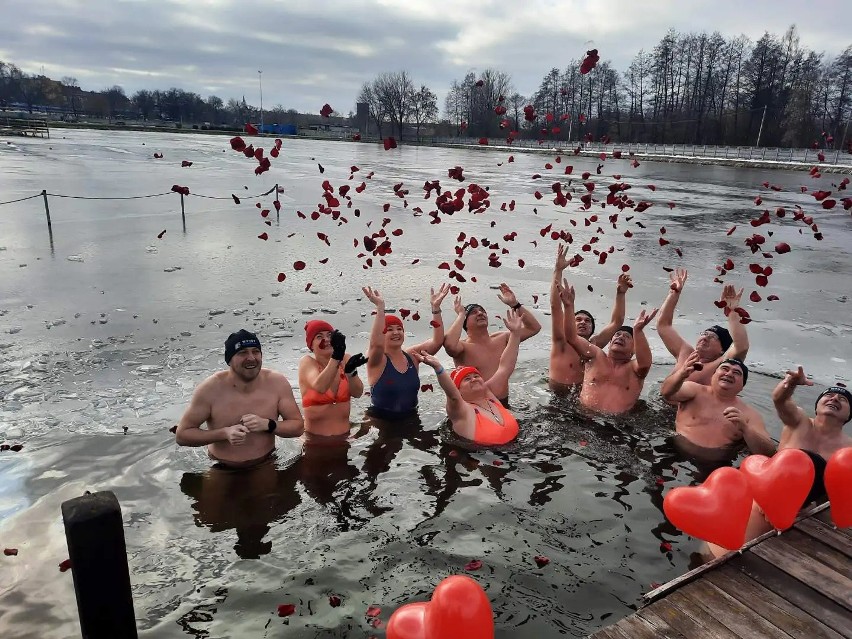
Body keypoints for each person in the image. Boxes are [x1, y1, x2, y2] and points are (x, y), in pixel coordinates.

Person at [706, 368, 851, 558]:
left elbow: (836, 497)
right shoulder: (799, 422)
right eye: (829, 396)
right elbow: (780, 400)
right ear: (816, 407)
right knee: (715, 553)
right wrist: (789, 384)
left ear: (849, 415)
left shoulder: (847, 451)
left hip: (800, 513)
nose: (834, 399)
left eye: (842, 399)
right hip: (764, 497)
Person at [175, 329, 304, 468]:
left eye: (255, 351)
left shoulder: (276, 383)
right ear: (229, 360)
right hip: (220, 464)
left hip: (265, 462)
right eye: (242, 353)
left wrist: (269, 424)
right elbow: (182, 435)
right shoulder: (210, 389)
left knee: (268, 489)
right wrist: (224, 433)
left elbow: (297, 427)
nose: (251, 358)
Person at [415, 309, 524, 446]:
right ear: (459, 390)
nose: (474, 379)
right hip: (485, 459)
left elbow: (505, 367)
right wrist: (438, 368)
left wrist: (515, 334)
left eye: (476, 376)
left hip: (517, 450)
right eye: (467, 379)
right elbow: (452, 395)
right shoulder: (461, 410)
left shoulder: (489, 395)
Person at [558, 279, 658, 414]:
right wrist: (569, 307)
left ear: (635, 349)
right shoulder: (596, 355)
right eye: (617, 335)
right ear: (609, 343)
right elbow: (571, 337)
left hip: (618, 427)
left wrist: (638, 331)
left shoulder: (634, 369)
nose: (620, 337)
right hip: (583, 419)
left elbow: (645, 363)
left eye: (627, 337)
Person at [361, 284, 450, 421]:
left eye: (399, 329)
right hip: (381, 421)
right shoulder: (377, 359)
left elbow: (437, 341)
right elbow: (376, 345)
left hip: (411, 417)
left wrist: (436, 309)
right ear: (382, 333)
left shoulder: (412, 356)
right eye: (389, 329)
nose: (396, 332)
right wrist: (380, 308)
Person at [549, 243, 632, 391]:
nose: (583, 322)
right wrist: (558, 270)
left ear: (592, 328)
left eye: (587, 321)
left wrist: (621, 294)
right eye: (578, 319)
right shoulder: (561, 341)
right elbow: (555, 307)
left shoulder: (594, 345)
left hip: (579, 397)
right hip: (556, 394)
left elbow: (617, 322)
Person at [442, 283, 541, 404]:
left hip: (503, 403)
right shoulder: (463, 347)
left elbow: (534, 328)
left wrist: (515, 305)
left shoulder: (502, 338)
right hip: (476, 406)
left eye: (482, 311)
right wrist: (461, 314)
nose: (480, 313)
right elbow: (450, 346)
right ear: (465, 323)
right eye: (473, 312)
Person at [660, 353, 776, 457]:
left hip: (716, 467)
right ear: (713, 376)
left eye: (736, 373)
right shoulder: (694, 390)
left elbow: (769, 452)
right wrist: (681, 374)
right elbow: (666, 393)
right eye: (724, 369)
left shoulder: (749, 415)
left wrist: (746, 429)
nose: (729, 373)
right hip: (674, 453)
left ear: (742, 386)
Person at [656, 269, 748, 385]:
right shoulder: (685, 353)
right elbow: (663, 325)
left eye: (713, 337)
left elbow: (741, 347)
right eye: (704, 333)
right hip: (660, 401)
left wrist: (733, 312)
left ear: (722, 350)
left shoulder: (721, 366)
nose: (705, 337)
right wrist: (674, 293)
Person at [298, 320, 365, 438]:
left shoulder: (345, 359)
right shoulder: (307, 362)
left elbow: (358, 393)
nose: (327, 339)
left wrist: (351, 373)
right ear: (311, 345)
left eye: (330, 335)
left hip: (345, 439)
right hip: (314, 442)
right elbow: (320, 386)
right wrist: (336, 357)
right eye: (319, 336)